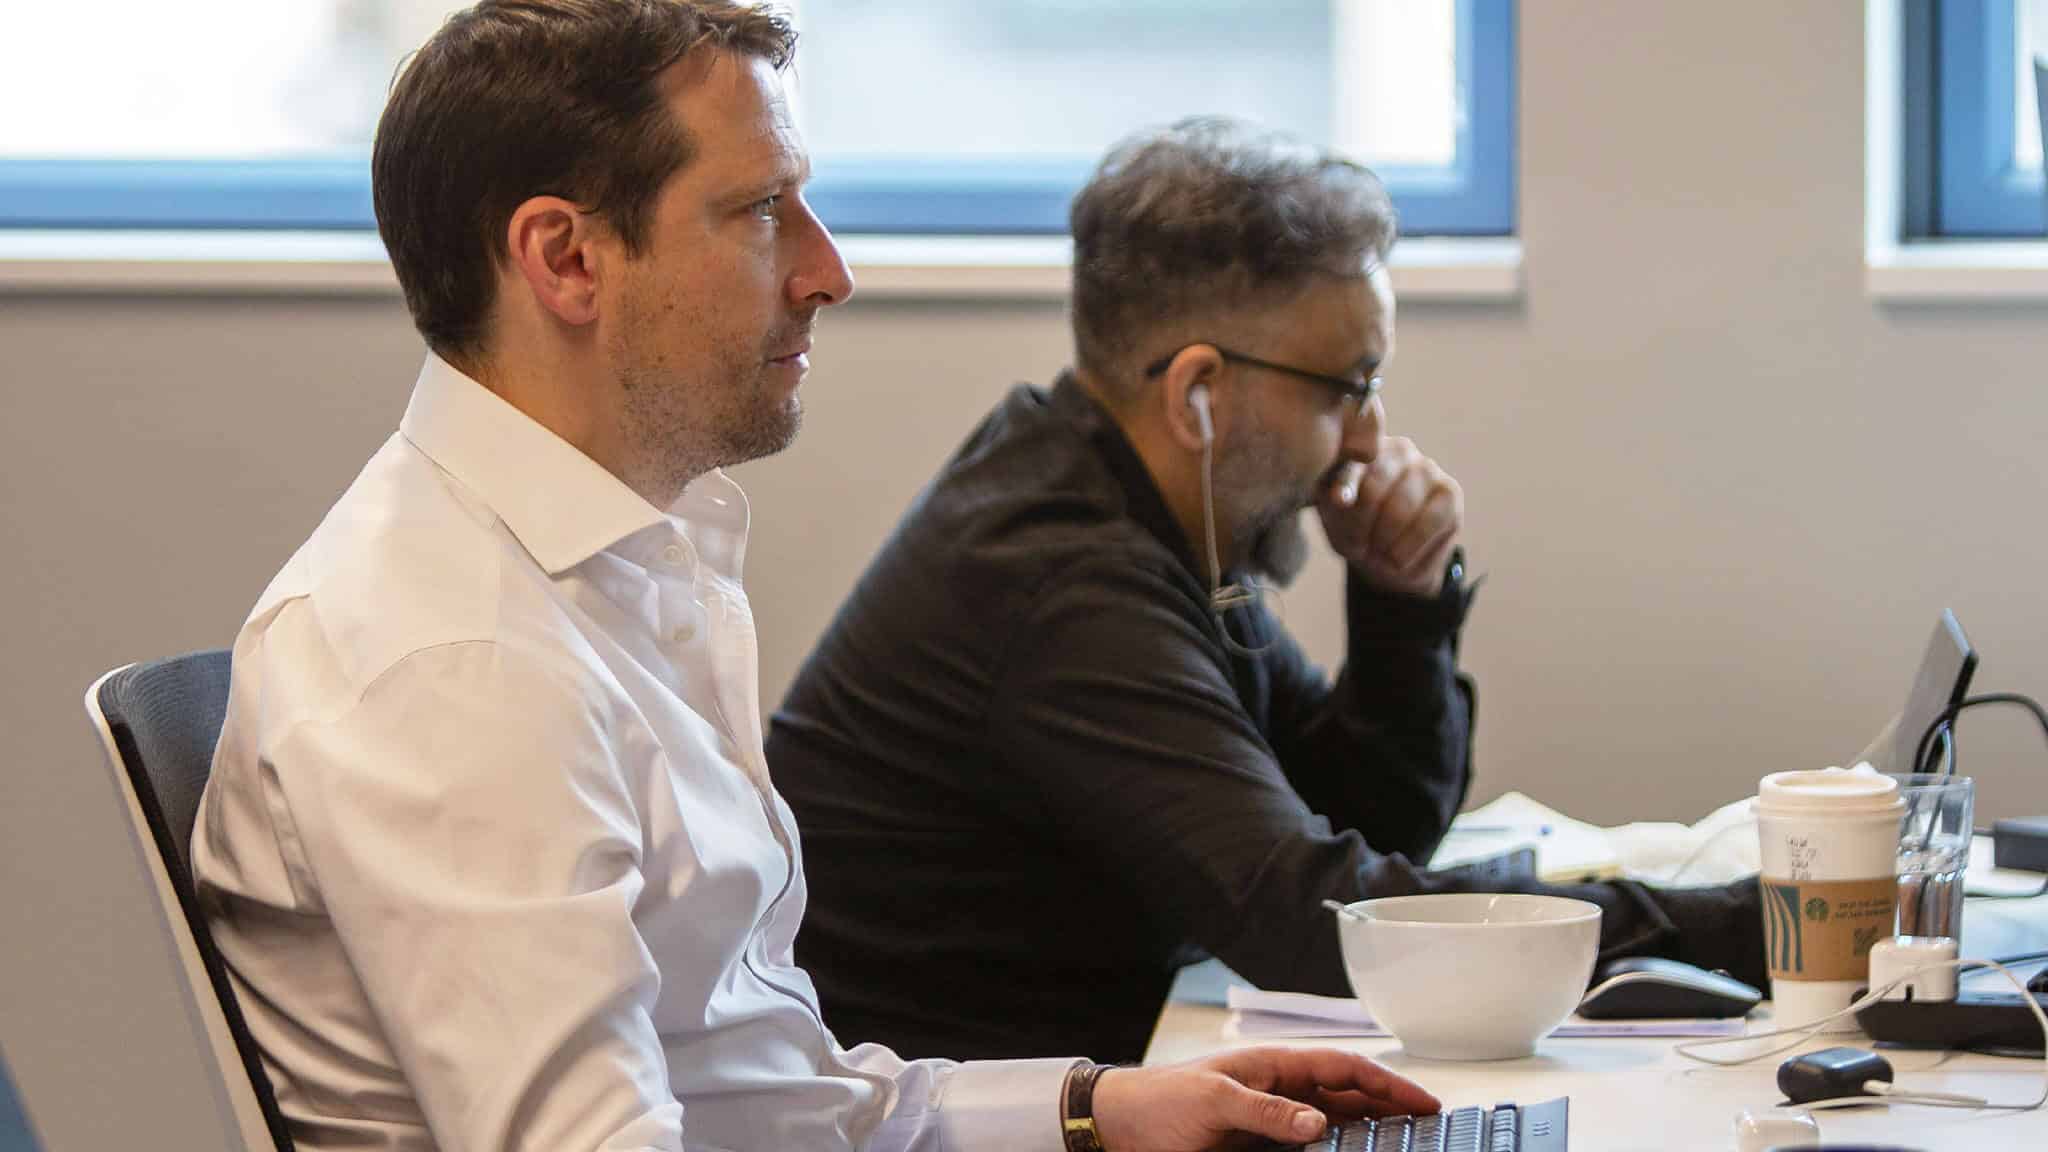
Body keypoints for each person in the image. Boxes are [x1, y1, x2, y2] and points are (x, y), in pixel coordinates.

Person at [188, 6, 1441, 1150]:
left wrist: (1095, 1107)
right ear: (565, 260)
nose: (827, 270)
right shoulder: (455, 658)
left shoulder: (607, 580)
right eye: (760, 212)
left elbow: (774, 1100)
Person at [767, 118, 1768, 1065]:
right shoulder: (1062, 583)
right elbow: (1316, 927)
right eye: (1349, 387)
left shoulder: (1131, 508)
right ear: (1198, 392)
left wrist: (1397, 610)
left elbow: (1361, 829)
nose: (1371, 440)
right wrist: (1762, 921)